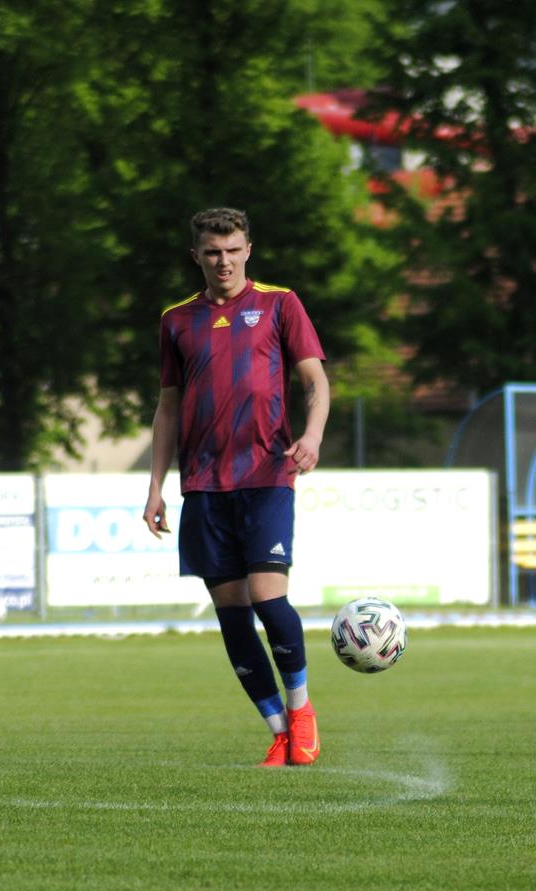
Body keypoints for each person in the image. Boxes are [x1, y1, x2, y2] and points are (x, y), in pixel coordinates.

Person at [144, 208, 331, 767]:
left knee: (269, 601)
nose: (222, 261)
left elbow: (315, 380)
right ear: (196, 257)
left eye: (232, 250)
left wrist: (313, 435)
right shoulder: (176, 320)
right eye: (211, 252)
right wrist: (155, 487)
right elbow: (168, 407)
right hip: (203, 485)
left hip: (268, 474)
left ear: (249, 249)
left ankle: (301, 711)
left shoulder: (280, 304)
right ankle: (278, 730)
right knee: (230, 614)